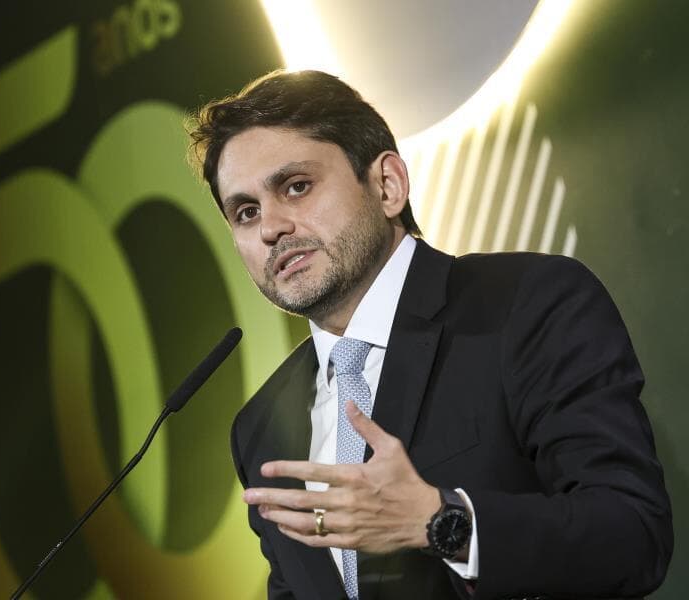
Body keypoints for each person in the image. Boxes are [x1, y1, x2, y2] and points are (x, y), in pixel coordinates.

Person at [187, 70, 672, 600]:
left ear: (387, 185)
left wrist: (441, 522)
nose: (270, 228)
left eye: (296, 186)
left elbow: (632, 533)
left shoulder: (525, 304)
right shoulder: (260, 428)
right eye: (246, 212)